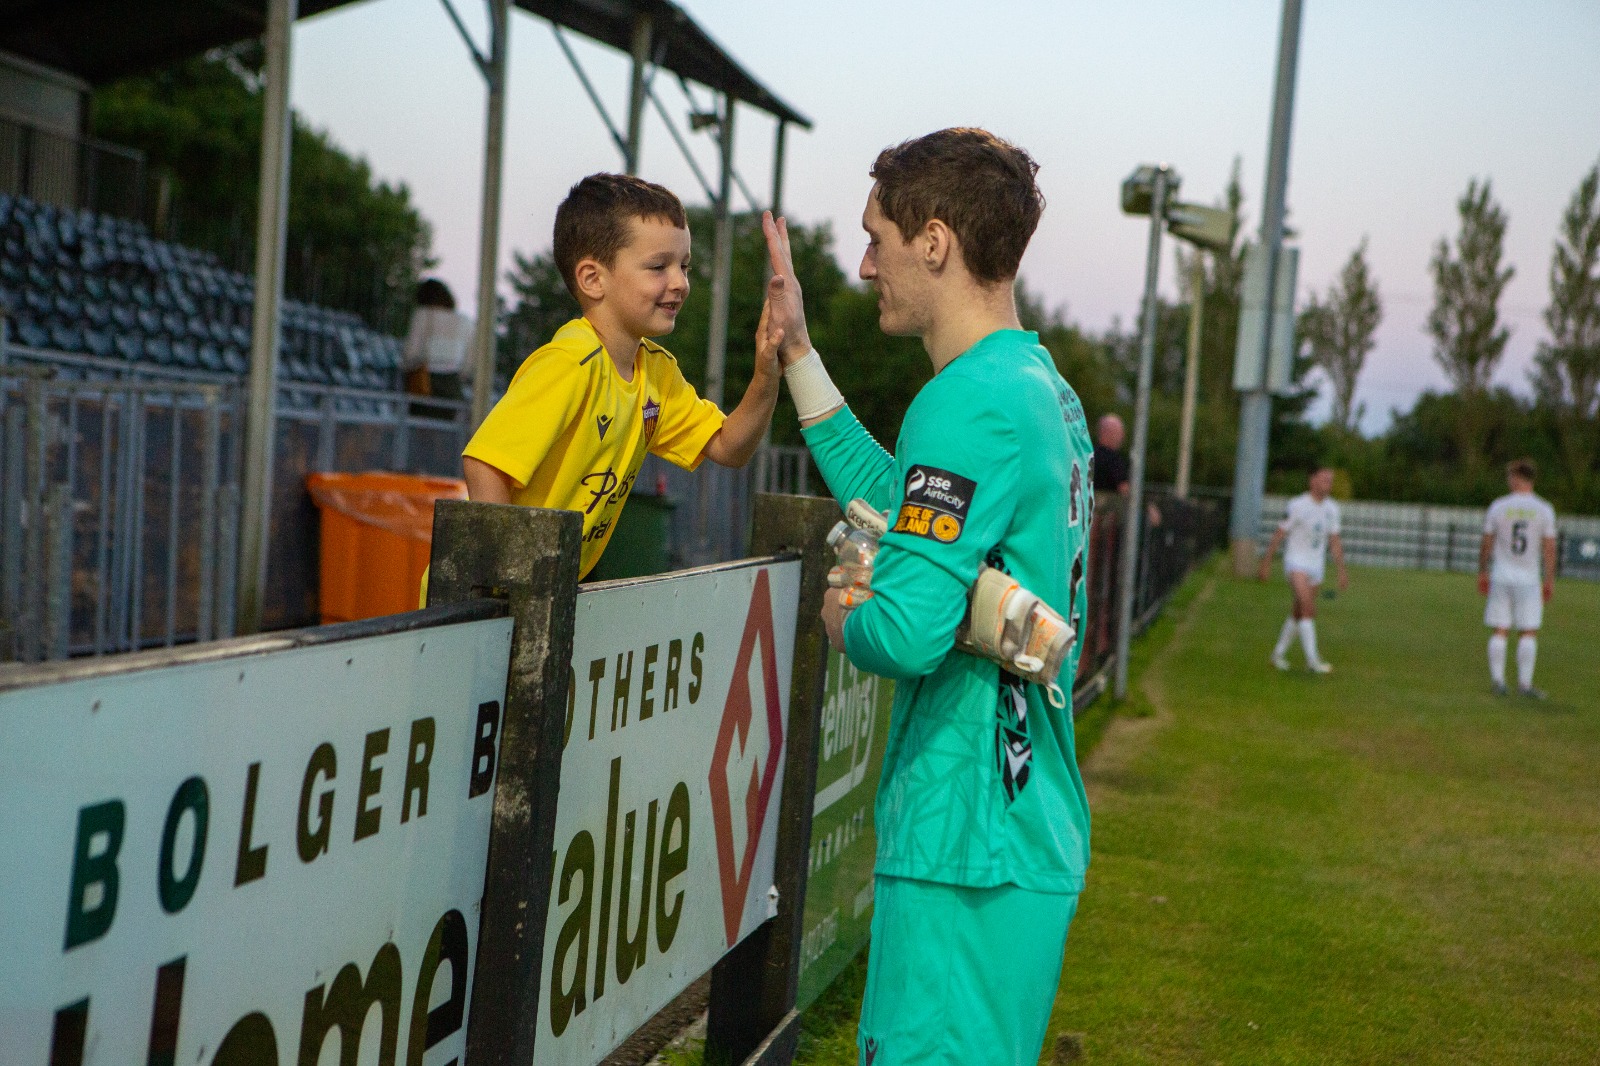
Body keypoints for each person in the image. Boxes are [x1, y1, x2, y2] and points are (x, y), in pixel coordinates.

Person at [760, 128, 1092, 1066]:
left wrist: (841, 610)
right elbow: (908, 510)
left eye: (878, 239)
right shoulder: (1037, 387)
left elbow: (904, 630)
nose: (866, 265)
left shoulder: (965, 401)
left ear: (935, 242)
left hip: (965, 834)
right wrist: (798, 357)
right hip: (1018, 831)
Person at [454, 173, 780, 582]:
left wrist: (766, 374)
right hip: (489, 601)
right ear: (593, 279)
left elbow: (728, 447)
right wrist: (506, 583)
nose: (680, 282)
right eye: (659, 266)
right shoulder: (570, 362)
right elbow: (485, 464)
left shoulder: (657, 371)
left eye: (684, 266)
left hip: (543, 596)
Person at [1478, 458, 1557, 698]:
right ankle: (1524, 684)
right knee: (1528, 630)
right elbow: (1549, 547)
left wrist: (1483, 569)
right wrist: (1549, 579)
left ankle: (1499, 681)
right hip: (1529, 577)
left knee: (1500, 628)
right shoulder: (1543, 509)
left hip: (1502, 574)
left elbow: (1487, 542)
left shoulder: (1499, 506)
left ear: (1517, 477)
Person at [1259, 467, 1348, 673]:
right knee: (1308, 608)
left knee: (1298, 612)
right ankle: (1312, 661)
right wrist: (1266, 562)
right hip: (1296, 563)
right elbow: (1280, 533)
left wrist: (1342, 570)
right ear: (1312, 480)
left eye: (1330, 480)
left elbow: (1334, 540)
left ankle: (1277, 654)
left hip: (1316, 566)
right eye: (1324, 479)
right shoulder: (1297, 505)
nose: (1328, 483)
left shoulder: (1332, 509)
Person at [401, 277, 473, 401]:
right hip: (453, 381)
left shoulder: (423, 314)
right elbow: (469, 360)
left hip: (425, 379)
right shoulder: (465, 321)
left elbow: (411, 352)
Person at [1092, 413, 1130, 495]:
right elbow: (1124, 489)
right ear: (1108, 433)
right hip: (1109, 506)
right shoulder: (1113, 460)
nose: (1122, 438)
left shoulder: (1087, 455)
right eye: (1118, 433)